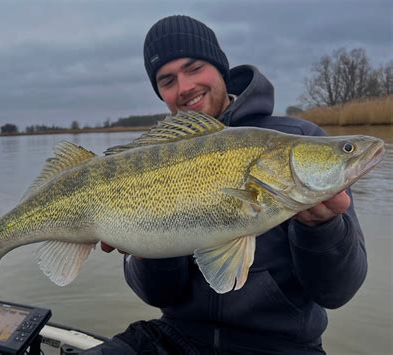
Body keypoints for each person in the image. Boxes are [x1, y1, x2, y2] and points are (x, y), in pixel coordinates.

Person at [83, 15, 366, 354]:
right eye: (167, 79)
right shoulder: (153, 157)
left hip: (283, 346)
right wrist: (145, 251)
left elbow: (337, 292)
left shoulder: (299, 138)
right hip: (176, 338)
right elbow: (159, 296)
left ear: (220, 68)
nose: (184, 86)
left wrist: (323, 229)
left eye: (194, 67)